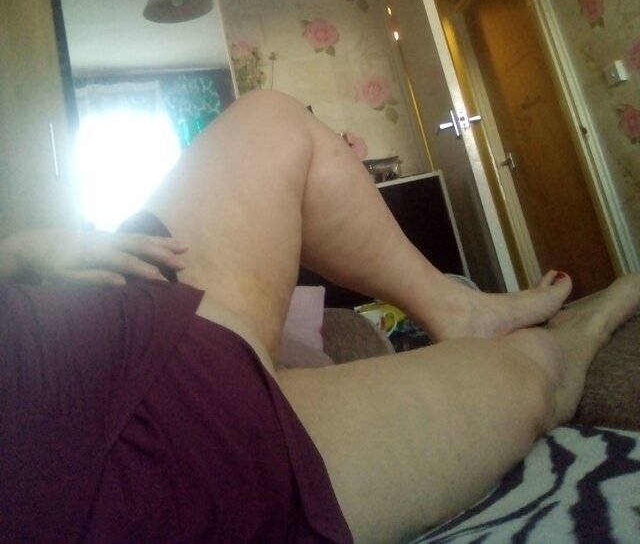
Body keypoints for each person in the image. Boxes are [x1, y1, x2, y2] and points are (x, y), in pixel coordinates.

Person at [1, 89, 639, 543]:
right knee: (524, 379)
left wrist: (20, 250)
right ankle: (583, 331)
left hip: (106, 306)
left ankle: (458, 307)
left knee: (273, 119)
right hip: (153, 454)